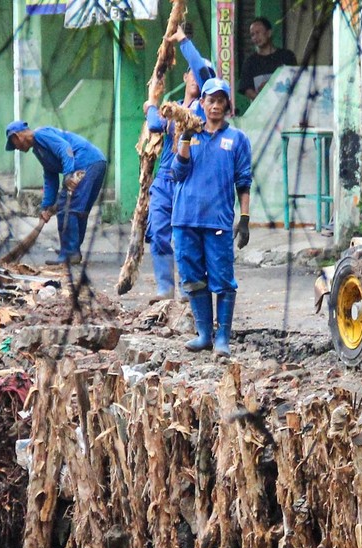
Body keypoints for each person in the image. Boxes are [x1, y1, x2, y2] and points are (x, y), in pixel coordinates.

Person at [171, 77, 252, 358]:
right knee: (192, 278)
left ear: (227, 105)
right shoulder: (189, 134)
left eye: (220, 101)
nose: (215, 106)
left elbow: (244, 182)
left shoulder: (237, 139)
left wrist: (244, 218)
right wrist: (184, 136)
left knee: (223, 280)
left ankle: (222, 338)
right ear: (202, 104)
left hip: (217, 221)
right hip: (185, 219)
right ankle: (204, 334)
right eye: (210, 100)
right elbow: (177, 173)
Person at [144, 27, 215, 301]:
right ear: (185, 77)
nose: (196, 78)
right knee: (157, 229)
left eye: (200, 75)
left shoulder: (203, 110)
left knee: (185, 235)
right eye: (192, 74)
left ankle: (188, 286)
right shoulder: (172, 107)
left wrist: (183, 41)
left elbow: (203, 73)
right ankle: (165, 288)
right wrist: (152, 105)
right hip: (164, 178)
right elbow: (155, 125)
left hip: (190, 179)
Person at [4, 121, 107, 266]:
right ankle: (72, 250)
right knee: (79, 210)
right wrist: (46, 206)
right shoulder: (38, 149)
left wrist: (68, 175)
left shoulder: (40, 135)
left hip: (85, 162)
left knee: (66, 208)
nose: (16, 148)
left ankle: (70, 253)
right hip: (97, 161)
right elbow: (50, 176)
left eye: (14, 144)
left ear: (16, 136)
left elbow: (65, 149)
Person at [238, 17, 297, 101]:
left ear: (269, 33)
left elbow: (296, 80)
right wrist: (263, 101)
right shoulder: (250, 62)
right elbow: (247, 89)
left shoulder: (287, 56)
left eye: (258, 32)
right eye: (252, 34)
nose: (255, 37)